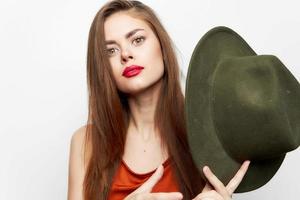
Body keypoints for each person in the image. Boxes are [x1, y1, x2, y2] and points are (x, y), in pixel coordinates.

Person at [67, 0, 250, 199]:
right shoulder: (86, 143)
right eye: (111, 50)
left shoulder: (204, 135)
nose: (126, 55)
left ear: (162, 47)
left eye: (137, 40)